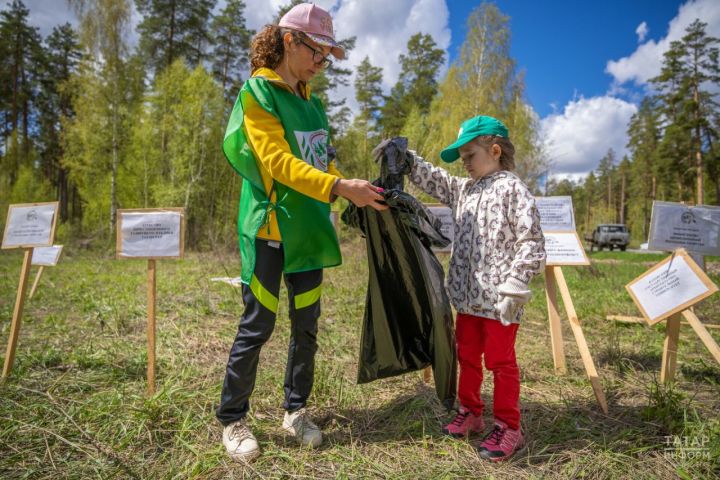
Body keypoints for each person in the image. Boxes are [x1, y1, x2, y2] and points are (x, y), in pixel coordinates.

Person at [218, 3, 387, 463]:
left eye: (328, 56)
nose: (322, 62)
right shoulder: (259, 94)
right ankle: (233, 419)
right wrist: (337, 186)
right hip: (271, 228)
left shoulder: (312, 103)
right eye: (317, 51)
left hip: (311, 232)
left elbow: (320, 160)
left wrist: (352, 189)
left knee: (306, 326)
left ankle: (295, 411)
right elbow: (276, 162)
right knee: (258, 326)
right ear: (289, 40)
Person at [389, 115, 545, 461]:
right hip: (468, 299)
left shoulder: (513, 189)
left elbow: (531, 241)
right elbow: (438, 180)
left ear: (494, 150)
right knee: (468, 356)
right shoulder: (466, 189)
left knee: (501, 362)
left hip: (502, 301)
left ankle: (509, 426)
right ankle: (471, 412)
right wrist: (408, 159)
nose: (465, 164)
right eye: (463, 159)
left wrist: (517, 282)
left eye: (470, 156)